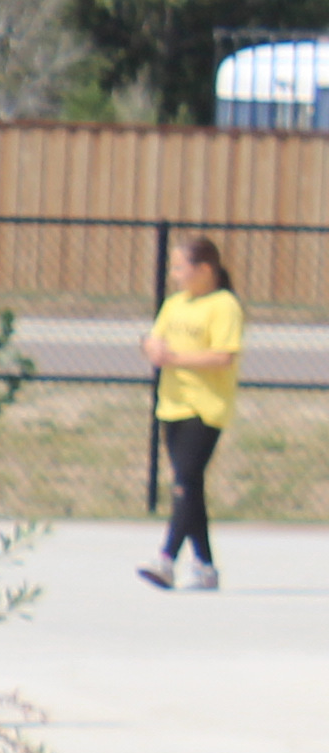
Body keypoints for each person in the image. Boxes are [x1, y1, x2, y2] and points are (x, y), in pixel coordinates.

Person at [143, 234, 242, 592]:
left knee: (184, 481)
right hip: (173, 404)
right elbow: (155, 337)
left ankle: (166, 559)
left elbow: (223, 356)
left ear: (204, 269)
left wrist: (176, 359)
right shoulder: (175, 304)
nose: (176, 274)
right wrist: (151, 346)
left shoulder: (224, 305)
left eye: (181, 267)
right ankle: (205, 567)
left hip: (206, 408)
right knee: (190, 486)